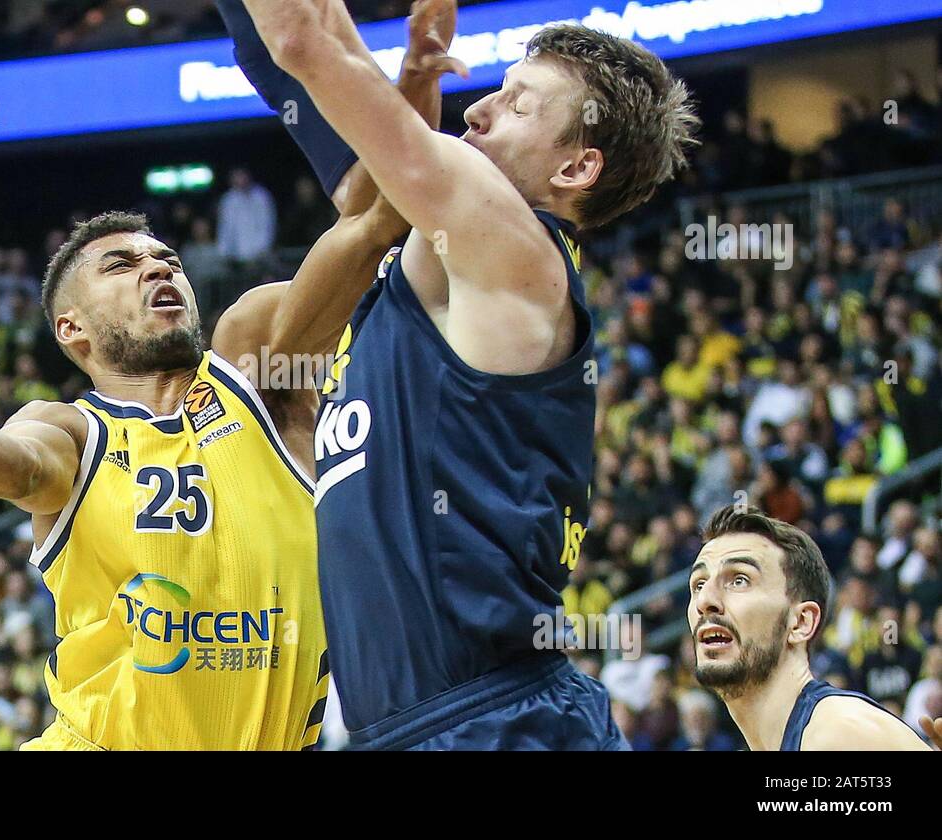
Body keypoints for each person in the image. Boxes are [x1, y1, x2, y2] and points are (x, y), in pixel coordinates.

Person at [0, 12, 453, 750]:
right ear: (71, 329)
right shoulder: (71, 431)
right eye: (122, 265)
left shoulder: (259, 366)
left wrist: (413, 81)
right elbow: (15, 468)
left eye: (164, 257)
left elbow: (374, 222)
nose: (158, 267)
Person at [234, 0, 696, 748]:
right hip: (431, 720)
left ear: (575, 167)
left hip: (490, 720)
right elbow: (383, 185)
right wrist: (415, 70)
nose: (478, 109)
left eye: (518, 103)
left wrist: (363, 66)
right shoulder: (454, 255)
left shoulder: (512, 246)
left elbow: (297, 40)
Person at [688, 505, 936, 750]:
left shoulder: (840, 732)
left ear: (801, 622)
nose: (704, 600)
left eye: (739, 580)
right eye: (699, 584)